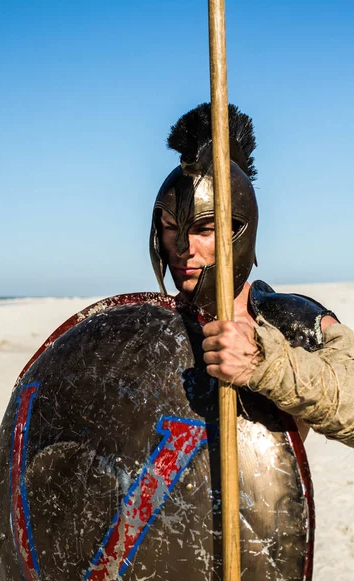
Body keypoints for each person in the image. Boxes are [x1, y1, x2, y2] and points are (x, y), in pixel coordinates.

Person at [150, 102, 354, 448]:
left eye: (204, 229)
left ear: (240, 233)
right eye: (171, 228)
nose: (183, 248)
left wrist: (264, 363)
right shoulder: (147, 328)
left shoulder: (288, 319)